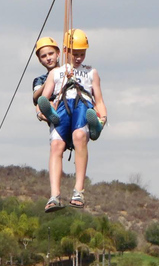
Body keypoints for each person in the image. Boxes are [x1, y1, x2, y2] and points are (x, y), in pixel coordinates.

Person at [37, 29, 107, 212]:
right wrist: (42, 112)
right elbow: (43, 99)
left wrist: (103, 116)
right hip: (61, 107)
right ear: (66, 51)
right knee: (56, 146)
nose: (78, 58)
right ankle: (54, 196)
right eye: (75, 54)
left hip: (82, 104)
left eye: (82, 54)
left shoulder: (91, 72)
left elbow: (98, 100)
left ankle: (78, 191)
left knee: (78, 137)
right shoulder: (56, 74)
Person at [32, 36, 61, 122]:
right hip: (53, 105)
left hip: (66, 102)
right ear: (40, 59)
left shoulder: (66, 72)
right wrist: (48, 81)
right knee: (40, 105)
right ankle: (50, 116)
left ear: (58, 53)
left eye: (51, 54)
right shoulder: (40, 79)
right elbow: (35, 98)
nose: (48, 58)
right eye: (44, 56)